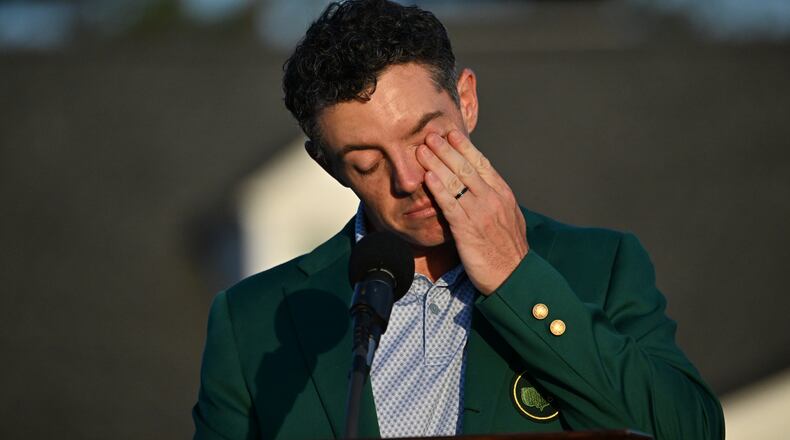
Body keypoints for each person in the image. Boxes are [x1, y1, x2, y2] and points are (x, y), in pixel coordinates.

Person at [192, 1, 724, 439]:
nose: (407, 177)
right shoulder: (252, 323)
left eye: (425, 136)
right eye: (366, 161)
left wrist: (516, 277)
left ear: (466, 101)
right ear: (327, 165)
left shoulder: (599, 266)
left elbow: (691, 430)